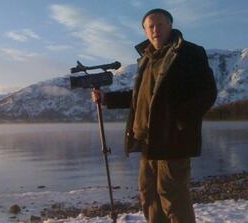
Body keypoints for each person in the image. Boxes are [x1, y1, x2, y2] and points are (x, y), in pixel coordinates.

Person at [91, 8, 217, 223]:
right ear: (145, 31)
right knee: (149, 196)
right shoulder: (147, 58)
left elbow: (207, 93)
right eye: (151, 26)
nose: (155, 29)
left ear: (171, 26)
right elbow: (139, 97)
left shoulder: (189, 53)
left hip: (173, 141)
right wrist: (107, 99)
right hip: (146, 141)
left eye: (160, 24)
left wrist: (179, 123)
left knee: (173, 197)